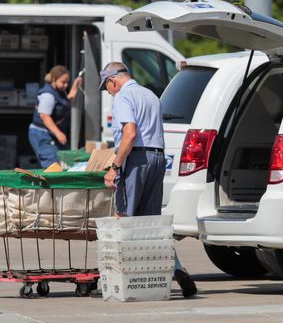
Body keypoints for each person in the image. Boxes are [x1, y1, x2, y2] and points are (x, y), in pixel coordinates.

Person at [99, 61, 197, 298]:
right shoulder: (151, 95)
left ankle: (118, 279)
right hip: (157, 158)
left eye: (107, 87)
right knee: (151, 224)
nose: (109, 92)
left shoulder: (123, 97)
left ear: (113, 81)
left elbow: (130, 133)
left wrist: (114, 167)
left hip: (136, 159)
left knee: (124, 218)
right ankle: (177, 269)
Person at [29, 65, 82, 169]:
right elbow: (45, 116)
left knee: (63, 162)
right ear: (54, 80)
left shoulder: (59, 92)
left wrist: (75, 85)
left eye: (67, 82)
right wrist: (58, 133)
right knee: (52, 164)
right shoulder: (48, 95)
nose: (66, 85)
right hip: (42, 134)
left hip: (51, 134)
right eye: (63, 82)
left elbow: (68, 101)